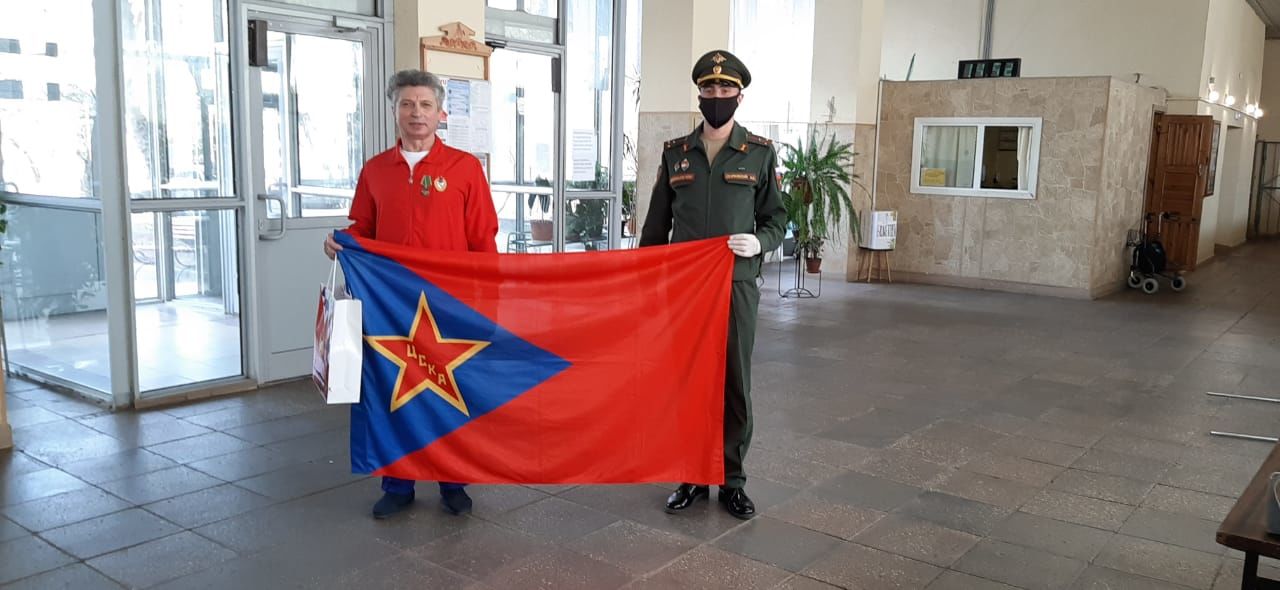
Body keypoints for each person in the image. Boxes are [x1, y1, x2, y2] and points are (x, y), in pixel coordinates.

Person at [324, 69, 499, 520]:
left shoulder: (464, 169)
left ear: (441, 114)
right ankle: (397, 483)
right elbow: (362, 227)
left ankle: (452, 481)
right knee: (393, 392)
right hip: (391, 306)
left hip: (449, 306)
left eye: (424, 105)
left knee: (449, 393)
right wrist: (340, 241)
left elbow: (483, 238)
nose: (415, 113)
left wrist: (487, 300)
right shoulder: (376, 170)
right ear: (395, 112)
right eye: (406, 104)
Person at [639, 50, 786, 520]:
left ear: (739, 96)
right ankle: (692, 476)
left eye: (725, 89)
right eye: (709, 89)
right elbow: (655, 227)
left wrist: (760, 242)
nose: (716, 96)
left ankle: (733, 480)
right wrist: (643, 285)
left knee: (735, 384)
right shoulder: (676, 154)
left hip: (735, 285)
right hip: (685, 289)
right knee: (689, 384)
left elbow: (777, 219)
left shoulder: (758, 153)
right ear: (699, 94)